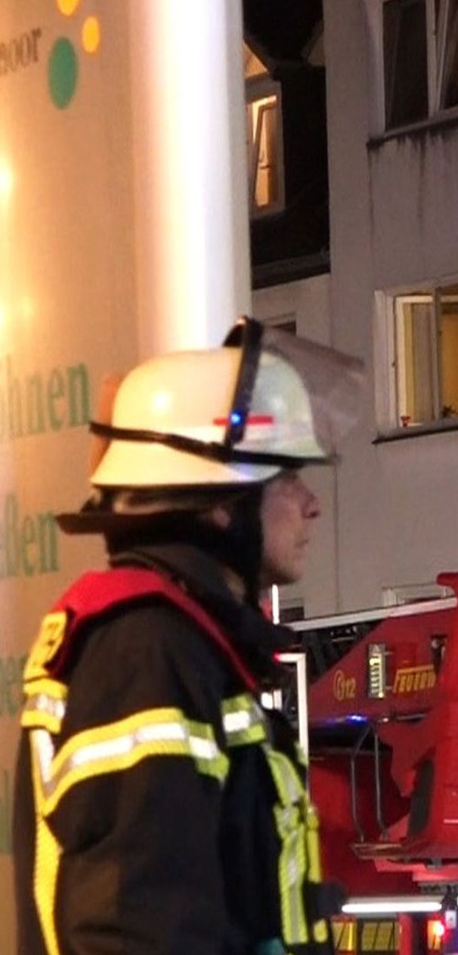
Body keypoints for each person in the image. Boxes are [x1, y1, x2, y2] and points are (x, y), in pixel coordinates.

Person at [12, 318, 362, 955]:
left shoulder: (190, 648)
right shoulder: (146, 652)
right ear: (218, 504)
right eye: (287, 476)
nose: (311, 503)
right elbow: (139, 926)